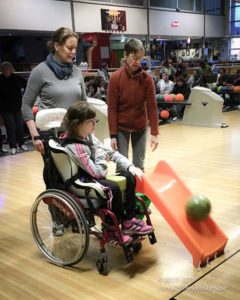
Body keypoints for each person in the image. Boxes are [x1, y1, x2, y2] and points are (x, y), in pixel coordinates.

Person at [61, 101, 153, 244]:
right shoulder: (76, 146)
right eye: (90, 121)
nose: (94, 124)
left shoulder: (89, 137)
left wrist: (130, 166)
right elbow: (99, 173)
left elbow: (111, 153)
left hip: (93, 174)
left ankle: (129, 221)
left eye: (94, 120)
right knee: (113, 189)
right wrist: (99, 154)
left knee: (129, 176)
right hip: (83, 180)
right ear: (77, 123)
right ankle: (111, 232)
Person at [22, 27, 87, 154]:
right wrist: (35, 135)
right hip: (50, 134)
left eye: (75, 48)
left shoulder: (77, 72)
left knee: (79, 173)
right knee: (55, 173)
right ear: (57, 46)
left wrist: (90, 129)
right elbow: (26, 105)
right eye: (69, 48)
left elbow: (84, 103)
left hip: (76, 132)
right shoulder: (40, 71)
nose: (73, 52)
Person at [107, 38, 159, 171]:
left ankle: (137, 191)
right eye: (134, 58)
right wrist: (113, 135)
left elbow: (152, 107)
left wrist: (154, 132)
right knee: (122, 166)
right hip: (121, 129)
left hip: (140, 128)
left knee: (138, 165)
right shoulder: (115, 78)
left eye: (140, 59)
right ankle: (123, 192)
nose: (137, 62)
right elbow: (112, 109)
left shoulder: (147, 79)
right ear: (125, 55)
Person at [0, 61, 27, 155]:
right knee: (11, 127)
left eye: (8, 69)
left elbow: (27, 85)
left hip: (17, 107)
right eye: (4, 69)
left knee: (20, 126)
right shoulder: (0, 79)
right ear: (2, 70)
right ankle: (13, 146)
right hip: (5, 109)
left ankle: (21, 143)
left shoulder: (17, 78)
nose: (6, 71)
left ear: (11, 69)